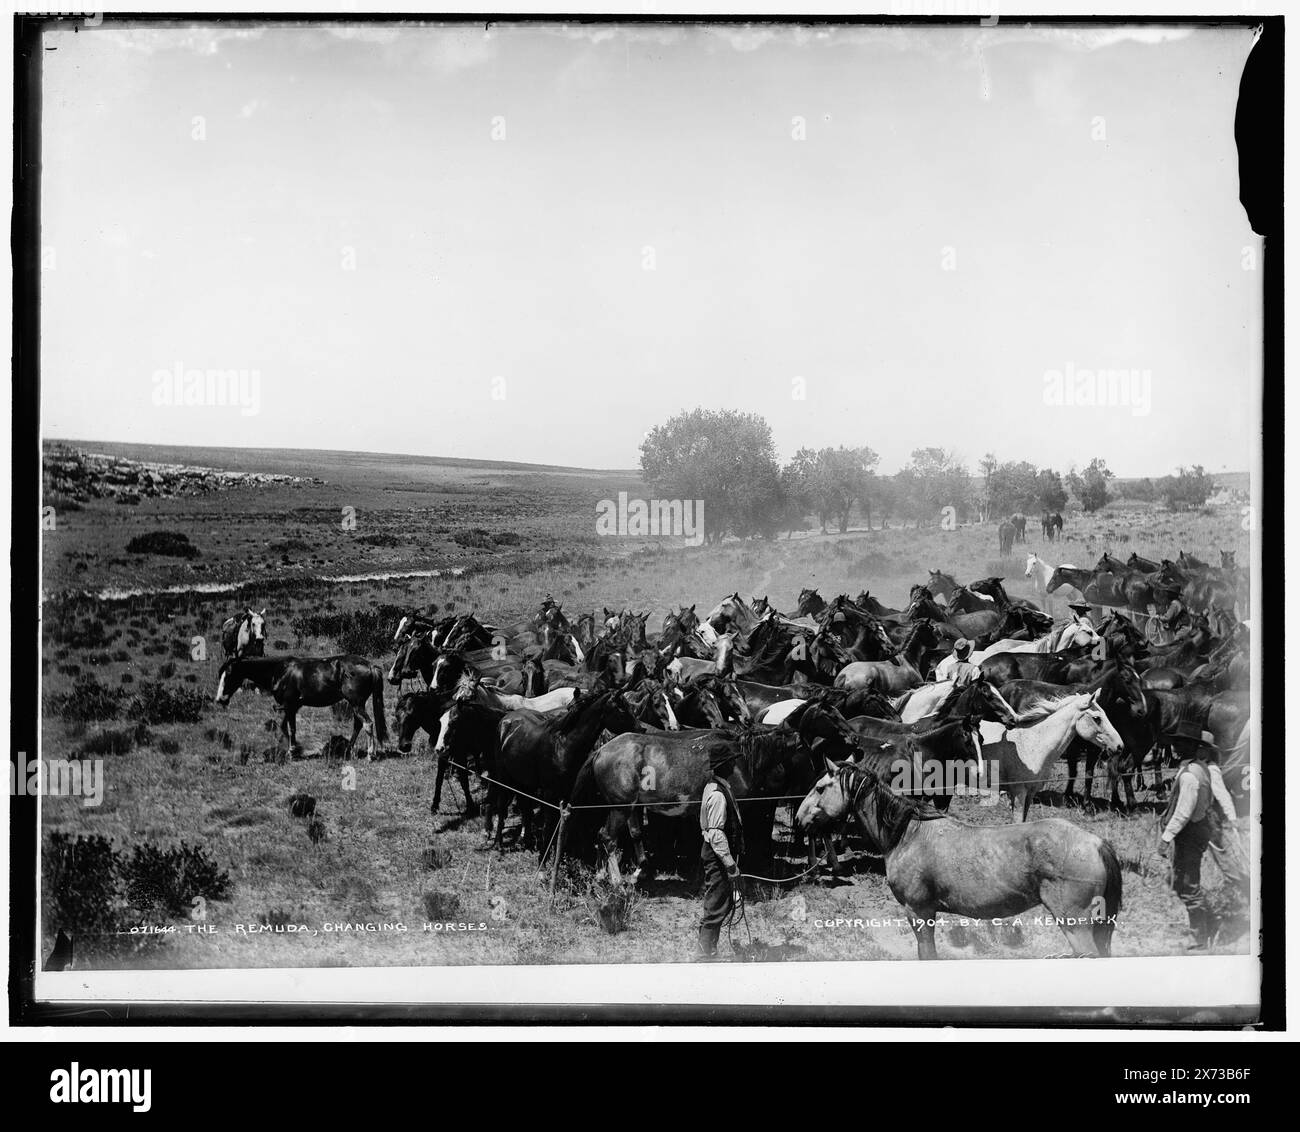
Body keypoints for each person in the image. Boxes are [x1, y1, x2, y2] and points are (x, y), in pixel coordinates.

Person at [1158, 721, 1234, 951]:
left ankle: (1200, 936)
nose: (1176, 746)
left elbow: (1184, 811)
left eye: (1181, 743)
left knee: (1189, 884)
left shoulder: (1191, 775)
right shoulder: (1198, 768)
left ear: (1193, 747)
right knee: (1183, 880)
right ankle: (1208, 924)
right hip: (1197, 830)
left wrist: (1166, 838)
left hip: (1190, 834)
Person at [697, 753, 745, 960]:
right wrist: (730, 865)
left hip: (716, 853)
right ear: (726, 765)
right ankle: (704, 954)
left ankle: (709, 949)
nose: (735, 764)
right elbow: (716, 833)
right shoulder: (718, 793)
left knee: (721, 902)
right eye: (732, 761)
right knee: (716, 905)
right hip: (717, 855)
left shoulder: (716, 786)